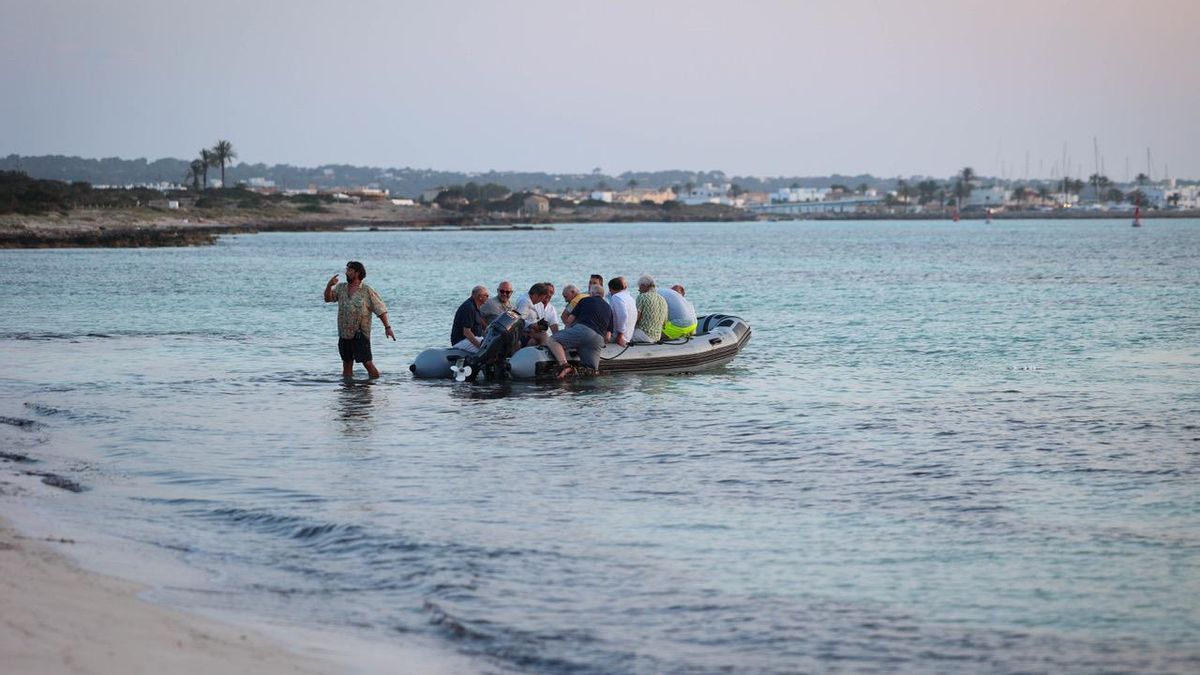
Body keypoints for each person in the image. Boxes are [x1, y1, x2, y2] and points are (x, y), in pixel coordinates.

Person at [323, 261, 394, 379]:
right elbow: (328, 299)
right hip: (344, 334)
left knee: (367, 363)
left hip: (360, 334)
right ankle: (348, 391)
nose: (347, 273)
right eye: (347, 270)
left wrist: (387, 327)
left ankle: (375, 385)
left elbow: (380, 309)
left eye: (350, 270)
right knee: (347, 364)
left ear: (358, 273)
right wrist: (329, 286)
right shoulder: (341, 288)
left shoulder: (366, 290)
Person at [549, 283, 612, 376]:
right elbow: (608, 337)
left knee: (552, 339)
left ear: (591, 293)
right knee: (590, 372)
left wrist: (568, 334)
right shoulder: (608, 308)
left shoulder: (585, 300)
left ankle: (564, 366)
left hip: (584, 331)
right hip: (598, 339)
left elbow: (569, 321)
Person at [450, 285, 489, 353]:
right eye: (486, 296)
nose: (488, 298)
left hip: (471, 339)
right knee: (488, 350)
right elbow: (467, 332)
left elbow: (481, 325)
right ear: (480, 297)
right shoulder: (469, 307)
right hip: (461, 341)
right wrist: (480, 346)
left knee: (491, 343)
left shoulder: (475, 306)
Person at [632, 274, 669, 343]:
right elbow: (664, 324)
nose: (638, 290)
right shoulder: (662, 299)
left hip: (643, 335)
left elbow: (636, 318)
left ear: (644, 286)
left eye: (639, 287)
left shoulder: (642, 297)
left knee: (619, 336)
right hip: (657, 337)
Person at [607, 276, 637, 347]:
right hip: (628, 335)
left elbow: (623, 316)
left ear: (611, 289)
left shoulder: (616, 297)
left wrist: (620, 335)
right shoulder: (630, 297)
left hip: (618, 337)